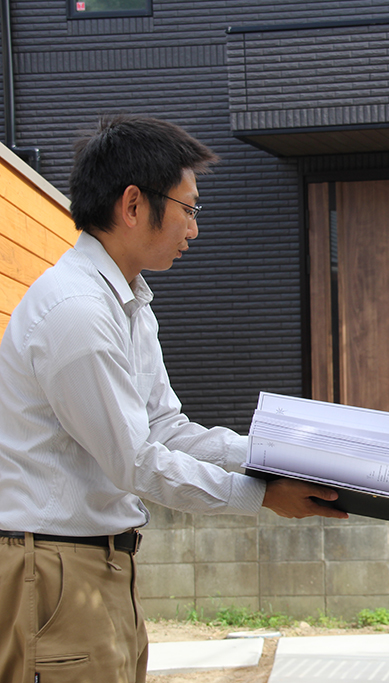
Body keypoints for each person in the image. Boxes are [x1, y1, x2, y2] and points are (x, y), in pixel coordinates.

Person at [0, 115, 348, 683]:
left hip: (97, 562)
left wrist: (278, 455)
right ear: (133, 205)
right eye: (188, 208)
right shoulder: (77, 314)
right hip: (56, 564)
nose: (193, 228)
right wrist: (259, 495)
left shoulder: (127, 301)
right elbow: (135, 460)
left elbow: (166, 427)